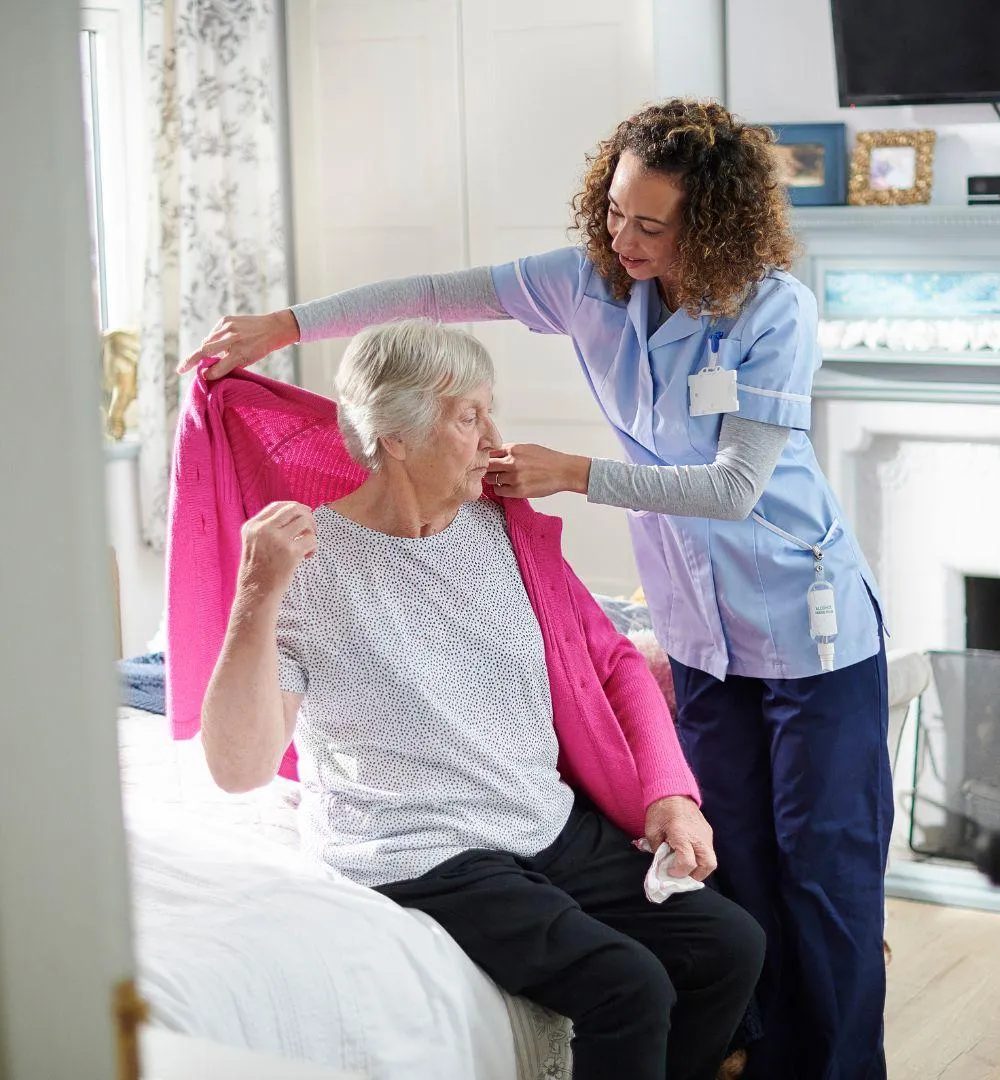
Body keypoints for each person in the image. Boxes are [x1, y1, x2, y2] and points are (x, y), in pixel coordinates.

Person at [185, 99, 891, 1080]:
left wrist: (575, 472)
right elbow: (432, 294)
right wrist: (285, 324)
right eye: (613, 212)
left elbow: (735, 489)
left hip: (807, 625)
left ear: (712, 223)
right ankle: (758, 1062)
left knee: (827, 881)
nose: (623, 239)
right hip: (698, 633)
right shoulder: (588, 286)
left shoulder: (773, 313)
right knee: (744, 879)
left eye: (653, 225)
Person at [201, 318, 764, 1080]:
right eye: (469, 416)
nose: (494, 436)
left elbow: (613, 663)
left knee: (729, 945)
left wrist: (671, 791)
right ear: (395, 436)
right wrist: (256, 593)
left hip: (536, 818)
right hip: (419, 845)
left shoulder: (504, 527)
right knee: (627, 987)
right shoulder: (311, 566)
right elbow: (239, 769)